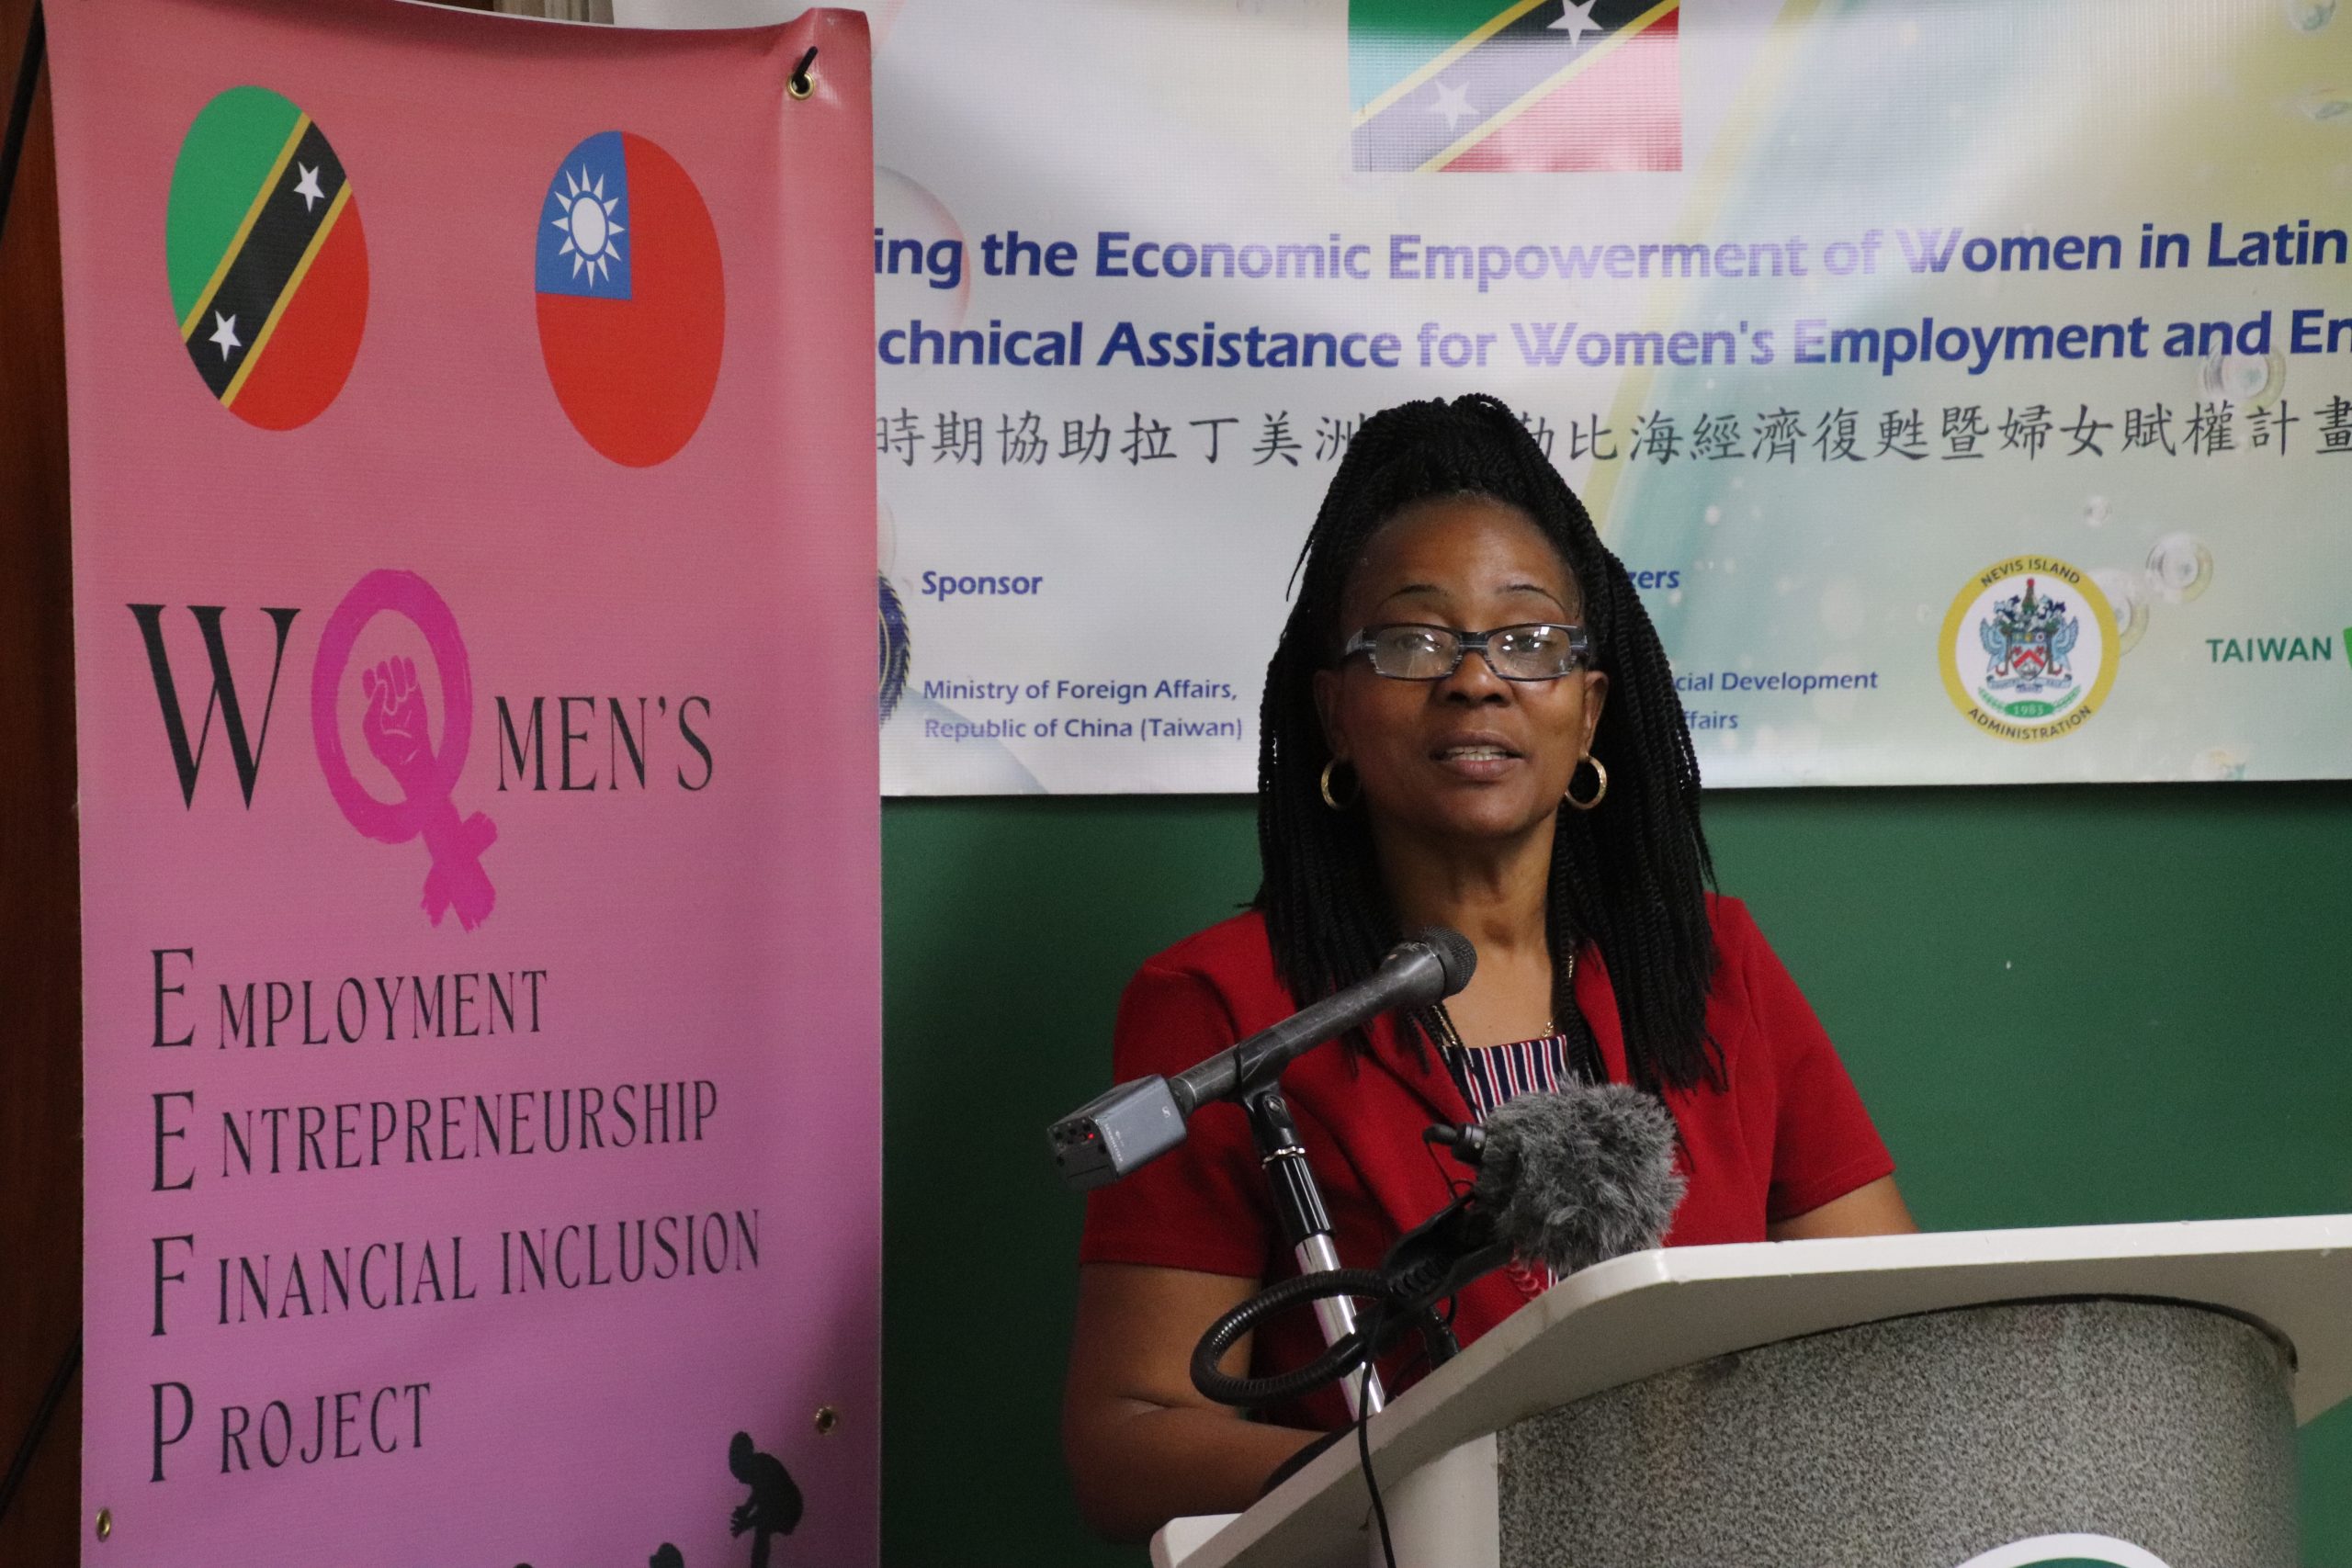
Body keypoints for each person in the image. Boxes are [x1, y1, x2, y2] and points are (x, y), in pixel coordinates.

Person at [1060, 394, 1916, 1543]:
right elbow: (1128, 1433)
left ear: (1587, 708)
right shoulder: (1226, 1007)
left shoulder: (1715, 967)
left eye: (1527, 642)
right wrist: (1447, 1480)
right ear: (1335, 713)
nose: (1476, 680)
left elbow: (1888, 1332)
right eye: (1413, 642)